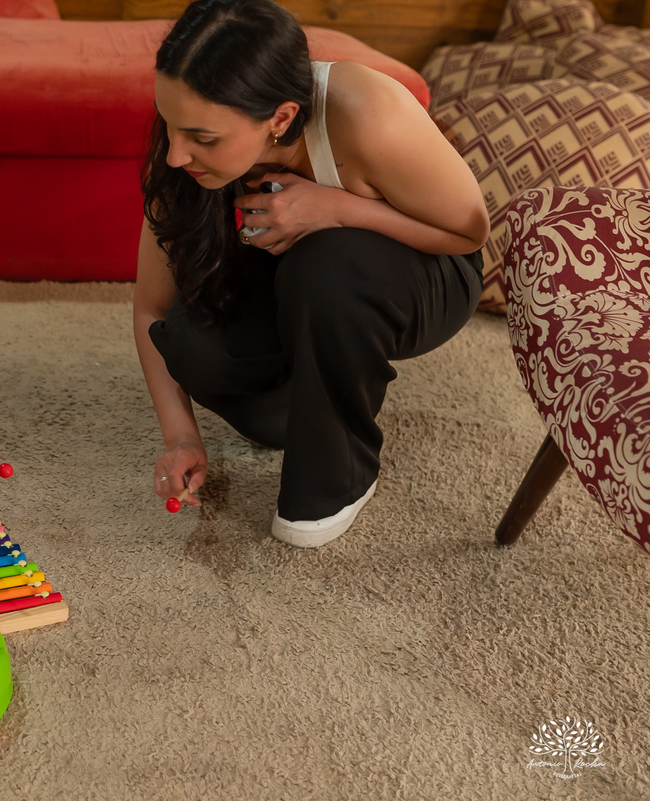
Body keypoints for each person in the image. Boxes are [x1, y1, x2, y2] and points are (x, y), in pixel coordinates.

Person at [135, 0, 488, 547]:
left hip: (426, 269)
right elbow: (151, 310)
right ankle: (326, 386)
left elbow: (469, 233)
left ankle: (342, 474)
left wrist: (337, 209)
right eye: (170, 124)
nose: (177, 154)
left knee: (326, 263)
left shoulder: (367, 112)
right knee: (194, 343)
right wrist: (181, 436)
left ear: (279, 118)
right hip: (299, 280)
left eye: (203, 139)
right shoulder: (184, 142)